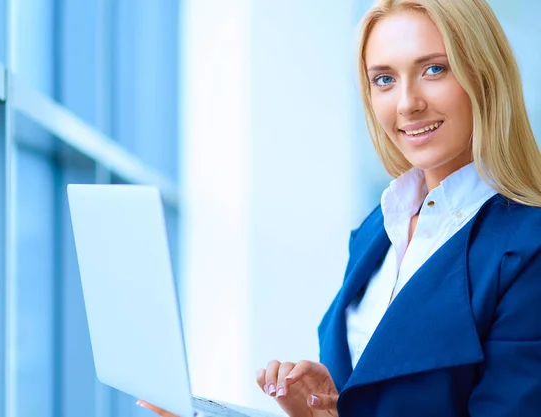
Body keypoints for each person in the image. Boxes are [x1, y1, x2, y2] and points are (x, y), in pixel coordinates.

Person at [139, 0, 541, 415]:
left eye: (434, 69)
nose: (407, 103)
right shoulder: (379, 230)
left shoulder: (528, 247)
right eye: (384, 79)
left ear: (485, 76)